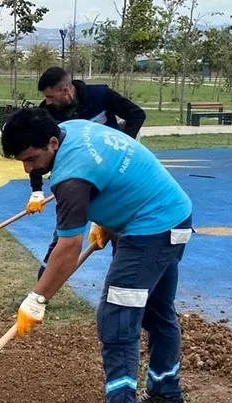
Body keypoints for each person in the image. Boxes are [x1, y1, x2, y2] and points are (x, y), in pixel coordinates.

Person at [2, 107, 192, 403]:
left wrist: (37, 298)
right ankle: (166, 393)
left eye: (31, 159)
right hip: (172, 215)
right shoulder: (70, 129)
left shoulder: (70, 178)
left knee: (117, 318)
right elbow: (107, 175)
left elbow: (67, 248)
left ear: (52, 143)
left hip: (149, 230)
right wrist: (108, 217)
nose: (28, 169)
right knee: (156, 309)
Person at [26, 67, 148, 278]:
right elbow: (36, 151)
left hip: (113, 179)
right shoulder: (47, 114)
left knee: (120, 231)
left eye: (51, 97)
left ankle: (121, 280)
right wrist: (36, 191)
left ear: (66, 91)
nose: (47, 102)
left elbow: (137, 114)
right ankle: (42, 285)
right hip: (76, 180)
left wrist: (123, 146)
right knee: (64, 233)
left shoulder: (100, 95)